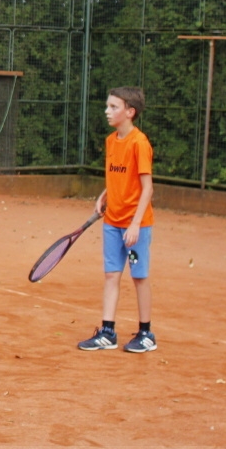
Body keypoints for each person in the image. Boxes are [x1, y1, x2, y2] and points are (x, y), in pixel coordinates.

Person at [79, 87, 156, 353]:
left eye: (113, 107)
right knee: (111, 275)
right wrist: (104, 196)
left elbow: (147, 187)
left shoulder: (139, 143)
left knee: (139, 276)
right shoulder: (112, 141)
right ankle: (107, 332)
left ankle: (146, 334)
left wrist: (135, 224)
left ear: (129, 112)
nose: (107, 111)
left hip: (136, 225)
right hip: (112, 222)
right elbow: (117, 178)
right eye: (107, 106)